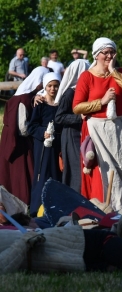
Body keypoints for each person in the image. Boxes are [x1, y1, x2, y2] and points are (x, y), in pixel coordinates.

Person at [72, 37, 122, 211]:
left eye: (112, 52)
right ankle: (109, 209)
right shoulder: (86, 77)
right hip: (96, 128)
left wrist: (113, 71)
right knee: (104, 171)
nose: (110, 55)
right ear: (96, 55)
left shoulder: (120, 73)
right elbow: (77, 107)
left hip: (119, 128)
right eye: (106, 52)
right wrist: (101, 102)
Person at [0, 66, 50, 206]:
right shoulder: (23, 98)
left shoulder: (27, 96)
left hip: (14, 139)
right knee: (20, 172)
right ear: (37, 81)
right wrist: (39, 132)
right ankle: (20, 203)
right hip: (18, 142)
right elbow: (22, 128)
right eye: (43, 82)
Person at [27, 72, 62, 217]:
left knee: (56, 174)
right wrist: (43, 132)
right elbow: (31, 126)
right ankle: (37, 208)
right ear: (45, 87)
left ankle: (56, 206)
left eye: (55, 86)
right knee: (42, 174)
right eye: (50, 86)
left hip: (57, 145)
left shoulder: (60, 104)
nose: (53, 89)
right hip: (43, 147)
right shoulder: (40, 104)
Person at [54, 59, 90, 193]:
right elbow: (59, 117)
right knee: (76, 169)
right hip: (71, 135)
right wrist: (78, 118)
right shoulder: (69, 93)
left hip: (82, 133)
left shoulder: (84, 90)